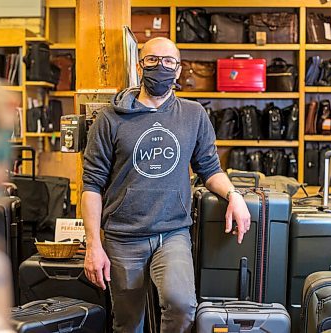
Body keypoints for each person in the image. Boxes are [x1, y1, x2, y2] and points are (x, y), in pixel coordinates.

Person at [81, 37, 251, 333]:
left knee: (183, 305)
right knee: (127, 322)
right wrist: (93, 244)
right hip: (123, 237)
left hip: (172, 233)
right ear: (140, 65)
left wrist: (233, 194)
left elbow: (209, 169)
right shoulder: (109, 118)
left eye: (168, 61)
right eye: (152, 60)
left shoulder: (193, 114)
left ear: (178, 68)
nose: (161, 67)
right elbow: (92, 184)